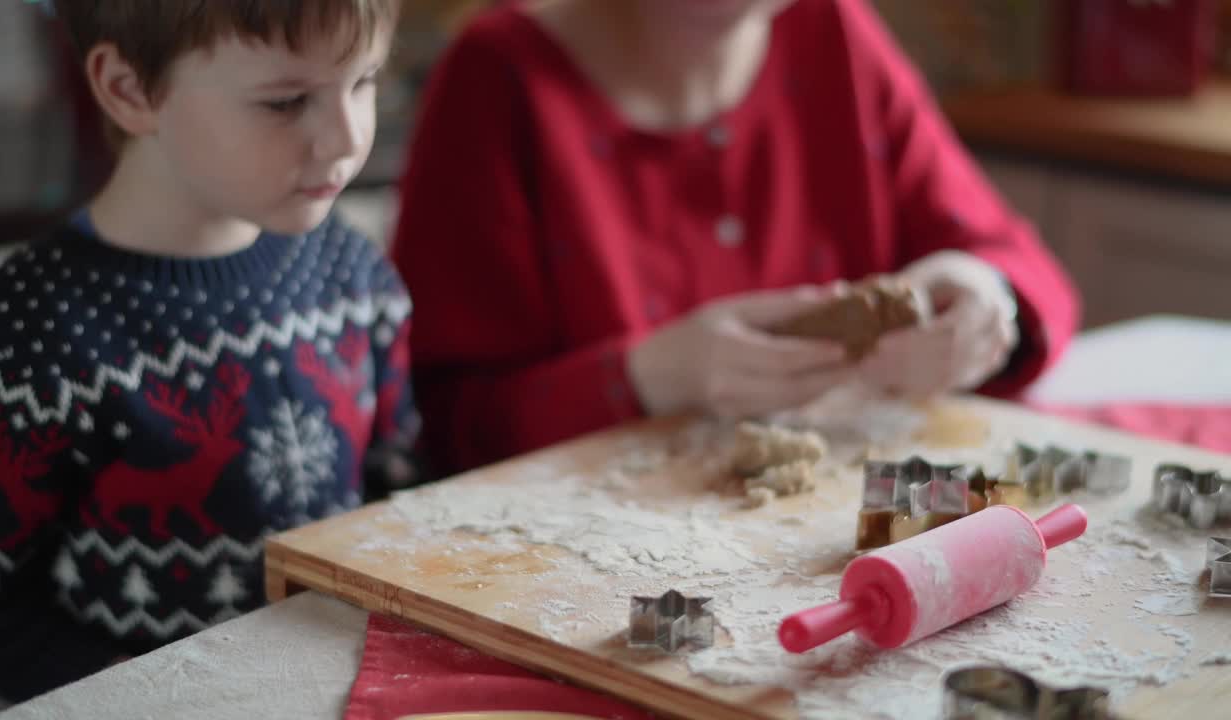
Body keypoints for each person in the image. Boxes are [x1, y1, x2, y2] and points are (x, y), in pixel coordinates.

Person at [391, 0, 1080, 475]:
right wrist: (649, 377)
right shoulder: (499, 77)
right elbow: (441, 427)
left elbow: (1020, 267)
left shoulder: (834, 30)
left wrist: (984, 297)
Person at [0, 0, 417, 702]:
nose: (345, 139)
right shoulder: (19, 338)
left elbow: (402, 489)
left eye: (365, 81)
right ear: (130, 88)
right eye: (286, 102)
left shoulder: (355, 273)